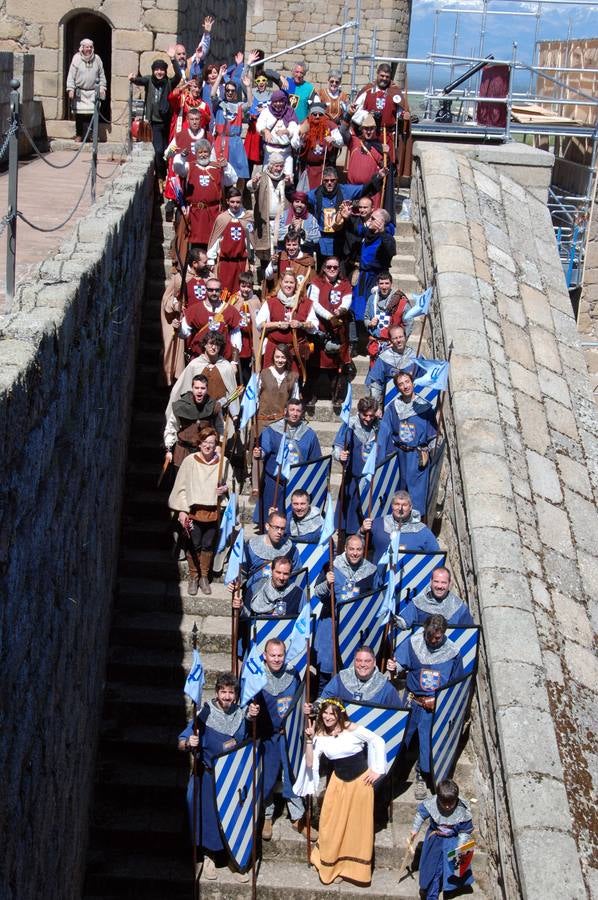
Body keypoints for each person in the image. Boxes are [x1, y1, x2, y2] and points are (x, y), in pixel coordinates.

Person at [297, 699, 386, 885]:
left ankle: (350, 869)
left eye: (332, 713)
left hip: (360, 785)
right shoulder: (320, 736)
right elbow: (311, 763)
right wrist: (308, 739)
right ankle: (331, 864)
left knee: (356, 827)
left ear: (339, 714)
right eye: (325, 713)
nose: (328, 717)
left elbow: (377, 740)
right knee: (330, 823)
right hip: (338, 785)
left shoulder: (351, 729)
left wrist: (377, 769)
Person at [178, 672, 256, 883]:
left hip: (234, 777)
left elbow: (248, 740)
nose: (227, 696)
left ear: (236, 695)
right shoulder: (204, 714)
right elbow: (182, 741)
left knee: (233, 818)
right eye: (223, 692)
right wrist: (190, 743)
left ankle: (234, 858)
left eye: (231, 692)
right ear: (217, 692)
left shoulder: (240, 715)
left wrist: (251, 717)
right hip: (209, 776)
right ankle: (209, 856)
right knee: (209, 819)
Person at [387, 615, 463, 793]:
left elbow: (456, 683)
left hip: (434, 705)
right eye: (429, 636)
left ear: (443, 633)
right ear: (424, 631)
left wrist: (440, 701)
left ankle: (422, 774)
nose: (433, 641)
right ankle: (395, 773)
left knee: (428, 743)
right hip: (412, 700)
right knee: (402, 739)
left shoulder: (452, 652)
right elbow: (400, 664)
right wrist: (394, 667)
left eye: (437, 637)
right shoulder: (414, 643)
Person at [250, 640, 307, 840]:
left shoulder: (293, 674)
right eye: (272, 655)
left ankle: (298, 816)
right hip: (267, 736)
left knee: (293, 773)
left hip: (289, 735)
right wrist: (251, 713)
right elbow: (245, 708)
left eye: (280, 655)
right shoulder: (256, 678)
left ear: (285, 655)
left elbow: (300, 699)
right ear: (265, 656)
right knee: (267, 776)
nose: (276, 659)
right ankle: (267, 815)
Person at [168, 425, 230, 595]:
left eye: (211, 442)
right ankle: (194, 577)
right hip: (194, 512)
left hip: (213, 512)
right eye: (205, 442)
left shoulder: (223, 462)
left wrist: (224, 489)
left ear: (215, 444)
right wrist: (182, 510)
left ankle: (204, 576)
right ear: (199, 443)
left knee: (208, 544)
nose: (208, 446)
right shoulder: (190, 461)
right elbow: (180, 488)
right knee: (194, 544)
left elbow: (231, 484)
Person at [312, 538, 378, 693]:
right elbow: (317, 592)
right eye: (351, 549)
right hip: (331, 621)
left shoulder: (371, 570)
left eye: (358, 550)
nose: (355, 553)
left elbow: (376, 599)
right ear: (346, 549)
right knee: (326, 668)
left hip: (356, 627)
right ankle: (324, 701)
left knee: (350, 668)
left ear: (363, 550)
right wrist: (327, 583)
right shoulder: (332, 566)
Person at [378, 370, 438, 517]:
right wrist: (383, 458)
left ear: (412, 382)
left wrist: (431, 452)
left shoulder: (425, 407)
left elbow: (432, 435)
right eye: (401, 384)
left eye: (407, 382)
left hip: (417, 457)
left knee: (417, 493)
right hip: (399, 456)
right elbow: (384, 434)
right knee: (397, 492)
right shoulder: (393, 408)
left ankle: (415, 526)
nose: (405, 386)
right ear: (397, 388)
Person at [253, 399, 321, 524]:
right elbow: (264, 449)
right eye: (292, 410)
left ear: (302, 413)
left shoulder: (309, 434)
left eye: (298, 410)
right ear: (285, 411)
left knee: (293, 521)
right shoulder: (272, 430)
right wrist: (259, 453)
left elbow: (315, 460)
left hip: (298, 482)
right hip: (274, 481)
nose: (295, 413)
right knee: (270, 520)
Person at [408, 778, 474, 900]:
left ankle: (449, 889)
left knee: (450, 869)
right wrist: (415, 830)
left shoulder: (462, 810)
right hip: (435, 841)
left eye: (451, 803)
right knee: (433, 869)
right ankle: (432, 895)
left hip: (452, 842)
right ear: (438, 798)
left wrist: (460, 846)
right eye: (444, 803)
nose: (448, 807)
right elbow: (420, 815)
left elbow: (465, 831)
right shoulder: (431, 803)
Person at [166, 332, 240, 431]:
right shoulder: (195, 365)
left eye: (217, 344)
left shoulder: (226, 366)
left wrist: (235, 415)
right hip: (198, 415)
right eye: (211, 344)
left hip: (220, 415)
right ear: (205, 345)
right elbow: (181, 389)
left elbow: (232, 393)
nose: (213, 347)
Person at [307, 166, 383, 261]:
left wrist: (378, 177)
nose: (329, 183)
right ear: (322, 180)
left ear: (337, 180)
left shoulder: (345, 190)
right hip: (322, 239)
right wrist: (289, 187)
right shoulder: (315, 194)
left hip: (340, 239)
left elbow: (364, 189)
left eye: (332, 180)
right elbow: (299, 199)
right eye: (326, 181)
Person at [353, 63, 412, 182]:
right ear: (377, 74)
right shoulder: (368, 91)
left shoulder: (395, 93)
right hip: (369, 135)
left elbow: (400, 113)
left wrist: (404, 116)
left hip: (387, 137)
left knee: (386, 165)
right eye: (382, 75)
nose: (384, 79)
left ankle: (385, 198)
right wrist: (368, 115)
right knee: (370, 165)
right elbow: (355, 113)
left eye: (387, 76)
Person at [307, 256, 353, 412]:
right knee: (314, 365)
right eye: (329, 267)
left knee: (337, 366)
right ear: (324, 268)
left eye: (335, 267)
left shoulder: (345, 284)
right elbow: (314, 302)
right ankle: (311, 396)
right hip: (320, 329)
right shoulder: (316, 282)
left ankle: (337, 397)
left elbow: (347, 301)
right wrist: (329, 316)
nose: (332, 269)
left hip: (338, 330)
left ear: (339, 268)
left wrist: (340, 311)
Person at [160, 248, 210, 386]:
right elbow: (167, 299)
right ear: (194, 263)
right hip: (186, 324)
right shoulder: (180, 278)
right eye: (204, 262)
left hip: (204, 324)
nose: (208, 264)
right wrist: (176, 306)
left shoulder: (209, 277)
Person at [173, 138, 237, 249]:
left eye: (205, 152)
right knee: (196, 243)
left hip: (213, 212)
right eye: (200, 152)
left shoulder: (217, 168)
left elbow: (231, 180)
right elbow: (178, 168)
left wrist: (226, 166)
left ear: (209, 152)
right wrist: (182, 156)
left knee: (213, 242)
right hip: (195, 213)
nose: (203, 155)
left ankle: (211, 265)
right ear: (196, 153)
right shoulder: (190, 167)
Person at [130, 53, 183, 183]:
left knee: (167, 151)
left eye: (162, 70)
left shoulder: (169, 83)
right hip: (155, 123)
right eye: (157, 70)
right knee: (159, 151)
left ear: (165, 71)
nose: (159, 72)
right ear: (153, 71)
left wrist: (173, 59)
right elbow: (139, 80)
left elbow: (179, 75)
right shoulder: (149, 80)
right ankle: (160, 177)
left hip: (168, 123)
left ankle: (167, 176)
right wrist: (132, 78)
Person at [334, 396, 380, 537]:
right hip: (353, 479)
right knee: (350, 517)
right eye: (364, 415)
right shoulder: (349, 425)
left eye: (371, 415)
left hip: (372, 479)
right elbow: (337, 446)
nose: (368, 418)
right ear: (359, 412)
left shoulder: (379, 426)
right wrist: (339, 455)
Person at [255, 270, 318, 374]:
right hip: (273, 350)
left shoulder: (305, 303)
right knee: (271, 383)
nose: (288, 285)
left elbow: (314, 326)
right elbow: (260, 324)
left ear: (296, 284)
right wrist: (278, 324)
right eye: (286, 282)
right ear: (281, 283)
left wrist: (301, 324)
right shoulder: (271, 302)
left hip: (294, 351)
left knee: (292, 383)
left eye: (291, 282)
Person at [362, 491, 440, 565]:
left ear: (410, 507)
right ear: (392, 506)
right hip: (380, 577)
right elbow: (357, 546)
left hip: (410, 577)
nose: (400, 508)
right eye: (397, 504)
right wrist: (362, 531)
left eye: (404, 505)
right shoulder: (378, 524)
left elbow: (436, 558)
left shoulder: (423, 531)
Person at [163, 373, 224, 467]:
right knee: (182, 481)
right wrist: (169, 449)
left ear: (207, 389)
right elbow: (171, 427)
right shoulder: (181, 405)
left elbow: (220, 427)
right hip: (183, 452)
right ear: (192, 388)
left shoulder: (213, 406)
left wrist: (219, 445)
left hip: (204, 452)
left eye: (202, 388)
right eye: (196, 388)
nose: (199, 391)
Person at [179, 275, 242, 362]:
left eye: (217, 290)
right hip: (199, 358)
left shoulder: (230, 310)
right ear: (205, 290)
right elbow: (184, 334)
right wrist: (178, 328)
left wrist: (234, 362)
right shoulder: (195, 310)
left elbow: (236, 338)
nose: (214, 293)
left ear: (221, 291)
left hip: (223, 359)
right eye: (210, 290)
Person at [211, 67, 255, 187]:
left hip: (235, 140)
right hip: (221, 139)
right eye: (227, 90)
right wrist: (220, 76)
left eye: (232, 90)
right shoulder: (219, 104)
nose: (230, 92)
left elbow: (250, 104)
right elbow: (212, 94)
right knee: (219, 170)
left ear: (235, 92)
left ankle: (238, 198)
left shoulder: (239, 105)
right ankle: (222, 199)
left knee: (240, 171)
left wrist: (249, 86)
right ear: (225, 91)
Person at [316, 645, 401, 707]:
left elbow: (397, 715)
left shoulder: (385, 686)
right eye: (359, 660)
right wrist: (314, 706)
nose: (362, 664)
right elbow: (324, 700)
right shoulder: (341, 678)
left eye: (367, 661)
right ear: (354, 661)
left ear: (374, 662)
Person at [248, 154, 291, 277]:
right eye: (277, 166)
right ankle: (265, 284)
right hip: (265, 221)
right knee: (265, 254)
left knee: (279, 253)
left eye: (281, 166)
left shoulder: (285, 179)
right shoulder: (262, 176)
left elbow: (291, 194)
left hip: (281, 222)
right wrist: (254, 182)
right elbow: (250, 186)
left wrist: (289, 185)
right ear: (271, 166)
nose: (279, 169)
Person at [206, 188, 253, 295]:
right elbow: (215, 240)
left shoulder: (247, 218)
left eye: (238, 202)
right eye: (232, 202)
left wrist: (251, 260)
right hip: (225, 263)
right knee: (223, 292)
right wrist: (211, 260)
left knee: (239, 294)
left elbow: (249, 241)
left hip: (241, 263)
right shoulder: (222, 218)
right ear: (227, 201)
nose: (235, 205)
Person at [397, 567, 474, 629]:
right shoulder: (418, 602)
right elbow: (404, 622)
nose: (439, 586)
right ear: (431, 582)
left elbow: (469, 632)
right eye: (436, 581)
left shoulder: (459, 607)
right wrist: (395, 620)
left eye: (443, 582)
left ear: (449, 584)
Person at [243, 510, 299, 591]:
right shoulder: (250, 546)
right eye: (276, 527)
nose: (279, 532)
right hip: (254, 593)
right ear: (267, 526)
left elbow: (295, 574)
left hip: (281, 595)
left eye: (282, 528)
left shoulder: (291, 549)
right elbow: (242, 573)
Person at [364, 271, 412, 365]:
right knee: (374, 376)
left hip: (392, 345)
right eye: (381, 283)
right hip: (376, 344)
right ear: (377, 284)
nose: (384, 286)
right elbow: (366, 317)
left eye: (387, 283)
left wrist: (400, 340)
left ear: (391, 284)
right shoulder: (372, 299)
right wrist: (370, 323)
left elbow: (409, 323)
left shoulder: (400, 301)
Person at [66, 39, 107, 143]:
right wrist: (70, 88)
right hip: (80, 91)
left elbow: (101, 75)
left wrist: (102, 88)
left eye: (90, 47)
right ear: (82, 48)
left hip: (93, 91)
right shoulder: (76, 58)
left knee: (94, 114)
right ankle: (79, 134)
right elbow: (71, 75)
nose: (89, 49)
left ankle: (93, 135)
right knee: (79, 115)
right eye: (86, 47)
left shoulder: (97, 59)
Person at [240, 555, 306, 617]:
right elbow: (245, 618)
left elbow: (306, 620)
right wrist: (240, 608)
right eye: (278, 572)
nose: (281, 577)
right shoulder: (255, 588)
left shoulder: (298, 594)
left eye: (285, 574)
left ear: (290, 574)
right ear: (271, 570)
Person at [365, 324, 416, 403]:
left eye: (401, 337)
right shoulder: (384, 358)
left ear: (405, 337)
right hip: (390, 402)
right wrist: (377, 406)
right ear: (390, 340)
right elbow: (376, 384)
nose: (398, 340)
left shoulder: (415, 356)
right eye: (395, 338)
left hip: (412, 402)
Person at [297, 102, 343, 190]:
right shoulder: (305, 124)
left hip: (324, 168)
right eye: (314, 114)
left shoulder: (330, 125)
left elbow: (341, 142)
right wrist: (301, 139)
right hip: (307, 168)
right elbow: (295, 144)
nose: (317, 116)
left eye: (320, 114)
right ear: (310, 115)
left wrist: (333, 140)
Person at [228, 272, 262, 385]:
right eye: (243, 286)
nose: (246, 289)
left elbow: (260, 321)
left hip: (250, 341)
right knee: (237, 367)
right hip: (237, 340)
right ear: (239, 285)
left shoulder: (256, 301)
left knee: (249, 368)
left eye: (249, 286)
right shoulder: (234, 299)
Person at [256, 92, 300, 176]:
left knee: (287, 178)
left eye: (281, 101)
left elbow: (294, 126)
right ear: (272, 102)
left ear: (284, 101)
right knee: (267, 178)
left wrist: (287, 131)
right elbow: (259, 125)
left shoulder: (289, 111)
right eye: (276, 101)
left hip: (285, 152)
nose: (278, 104)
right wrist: (265, 131)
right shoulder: (266, 112)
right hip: (270, 151)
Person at [278, 190, 321, 255]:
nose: (299, 205)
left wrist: (301, 232)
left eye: (302, 202)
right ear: (292, 202)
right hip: (285, 255)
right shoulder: (284, 215)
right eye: (297, 202)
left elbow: (316, 238)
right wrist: (290, 227)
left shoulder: (311, 218)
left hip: (304, 255)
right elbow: (276, 234)